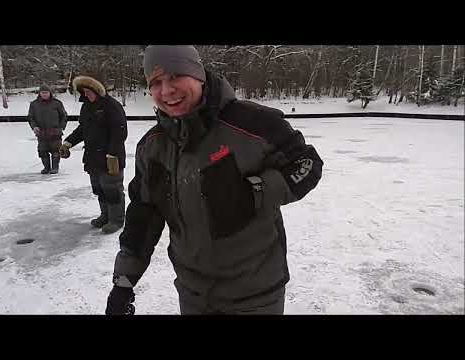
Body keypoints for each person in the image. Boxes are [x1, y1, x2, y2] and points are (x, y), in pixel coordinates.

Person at [105, 45, 324, 315]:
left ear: (198, 75)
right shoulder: (152, 148)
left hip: (256, 295)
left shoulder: (253, 124)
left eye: (175, 76)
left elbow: (308, 164)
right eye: (156, 82)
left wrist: (258, 191)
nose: (166, 90)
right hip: (193, 296)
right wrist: (124, 282)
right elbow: (143, 216)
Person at [59, 76, 128, 234]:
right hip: (92, 158)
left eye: (89, 91)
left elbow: (120, 132)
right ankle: (105, 216)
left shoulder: (112, 106)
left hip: (110, 158)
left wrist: (113, 155)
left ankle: (116, 220)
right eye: (84, 92)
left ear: (97, 90)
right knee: (99, 189)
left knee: (112, 190)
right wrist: (68, 143)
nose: (86, 94)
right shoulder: (87, 107)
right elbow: (82, 129)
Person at [28, 84, 68, 174]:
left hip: (55, 132)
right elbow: (31, 118)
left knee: (56, 150)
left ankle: (55, 167)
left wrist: (61, 127)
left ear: (50, 93)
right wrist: (34, 127)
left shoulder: (57, 103)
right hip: (41, 132)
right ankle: (46, 167)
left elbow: (64, 116)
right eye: (43, 93)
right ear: (40, 93)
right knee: (43, 151)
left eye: (46, 92)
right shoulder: (34, 104)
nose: (45, 94)